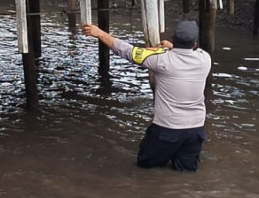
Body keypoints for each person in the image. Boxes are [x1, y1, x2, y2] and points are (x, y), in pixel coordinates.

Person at [81, 20, 211, 171]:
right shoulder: (205, 59)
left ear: (173, 37)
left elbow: (127, 50)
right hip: (195, 131)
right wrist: (171, 47)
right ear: (194, 44)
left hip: (167, 129)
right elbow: (188, 53)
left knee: (145, 166)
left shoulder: (160, 60)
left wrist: (100, 33)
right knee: (186, 172)